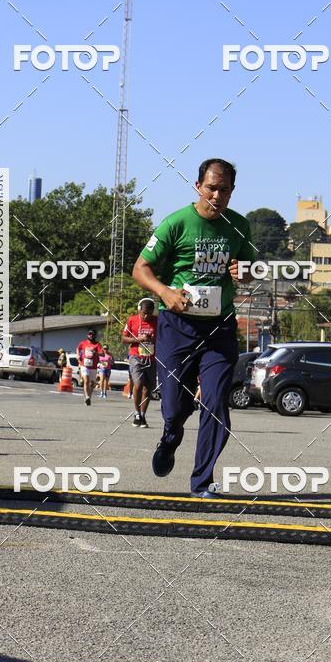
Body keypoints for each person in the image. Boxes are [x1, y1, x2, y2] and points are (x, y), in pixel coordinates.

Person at [132, 157, 255, 497]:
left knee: (215, 403)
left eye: (225, 190)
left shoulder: (240, 226)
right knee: (174, 405)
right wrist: (164, 292)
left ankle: (202, 481)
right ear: (198, 186)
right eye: (212, 188)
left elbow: (251, 267)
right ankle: (171, 435)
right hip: (177, 326)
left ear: (232, 191)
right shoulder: (176, 223)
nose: (217, 195)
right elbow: (140, 269)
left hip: (220, 328)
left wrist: (244, 273)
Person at [122, 298, 158, 428]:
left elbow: (163, 338)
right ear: (139, 310)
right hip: (136, 356)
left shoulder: (157, 321)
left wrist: (153, 339)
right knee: (138, 383)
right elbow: (124, 338)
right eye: (143, 313)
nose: (146, 316)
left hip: (151, 358)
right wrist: (138, 339)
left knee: (148, 389)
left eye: (149, 313)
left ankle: (142, 415)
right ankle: (136, 413)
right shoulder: (132, 320)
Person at [77, 329, 104, 406]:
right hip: (84, 365)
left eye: (92, 334)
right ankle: (87, 397)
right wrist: (78, 356)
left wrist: (96, 352)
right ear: (87, 335)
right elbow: (78, 348)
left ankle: (89, 397)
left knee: (92, 383)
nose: (91, 335)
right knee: (86, 380)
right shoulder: (83, 343)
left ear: (95, 335)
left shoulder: (97, 344)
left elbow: (102, 354)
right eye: (89, 334)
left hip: (93, 366)